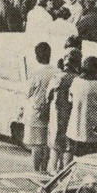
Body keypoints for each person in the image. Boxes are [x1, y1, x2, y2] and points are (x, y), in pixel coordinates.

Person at [20, 42, 59, 171]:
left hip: (36, 113)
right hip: (52, 113)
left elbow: (27, 92)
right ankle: (44, 169)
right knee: (47, 144)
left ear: (37, 56)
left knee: (36, 145)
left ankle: (36, 171)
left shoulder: (35, 73)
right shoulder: (57, 72)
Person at [66, 57, 97, 158]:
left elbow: (70, 100)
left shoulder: (76, 81)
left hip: (75, 128)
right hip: (94, 131)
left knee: (74, 157)